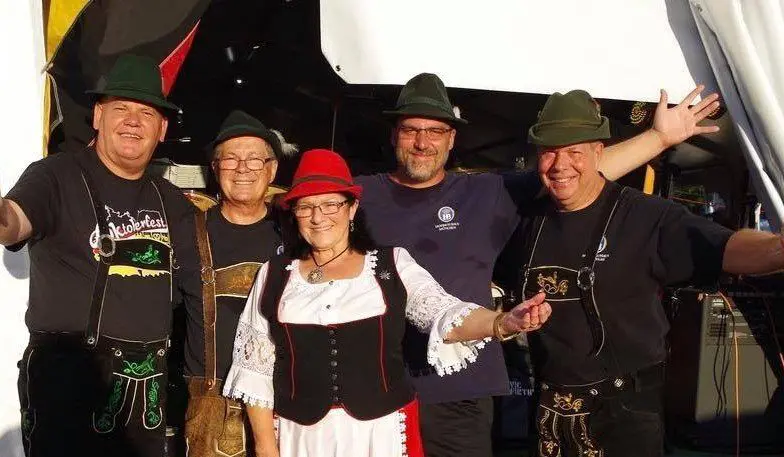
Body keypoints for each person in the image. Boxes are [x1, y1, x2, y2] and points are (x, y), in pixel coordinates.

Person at [354, 73, 721, 457]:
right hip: (378, 384)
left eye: (435, 131)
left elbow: (575, 177)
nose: (422, 142)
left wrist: (659, 138)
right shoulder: (357, 197)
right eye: (411, 130)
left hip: (460, 392)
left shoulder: (486, 192)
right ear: (395, 135)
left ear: (452, 139)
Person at [504, 89, 784, 457]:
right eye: (549, 151)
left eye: (575, 152)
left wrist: (777, 249)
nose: (560, 164)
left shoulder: (648, 217)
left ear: (599, 153)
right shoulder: (526, 219)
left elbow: (728, 249)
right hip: (551, 410)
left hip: (626, 413)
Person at [221, 148, 552, 457]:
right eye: (305, 206)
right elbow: (257, 370)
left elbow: (442, 311)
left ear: (351, 208)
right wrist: (266, 448)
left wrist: (500, 323)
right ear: (294, 215)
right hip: (300, 437)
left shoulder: (391, 265)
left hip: (380, 434)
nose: (318, 217)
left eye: (330, 205)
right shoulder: (275, 275)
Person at [0, 55, 196, 456]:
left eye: (146, 112)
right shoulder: (54, 176)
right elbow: (11, 222)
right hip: (68, 384)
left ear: (161, 130)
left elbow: (201, 284)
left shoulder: (172, 200)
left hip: (146, 391)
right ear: (97, 116)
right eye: (120, 108)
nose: (133, 120)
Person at [182, 110, 292, 457]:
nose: (242, 168)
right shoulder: (188, 231)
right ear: (215, 170)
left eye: (254, 159)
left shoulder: (296, 232)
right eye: (230, 159)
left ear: (272, 169)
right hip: (211, 413)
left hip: (287, 405)